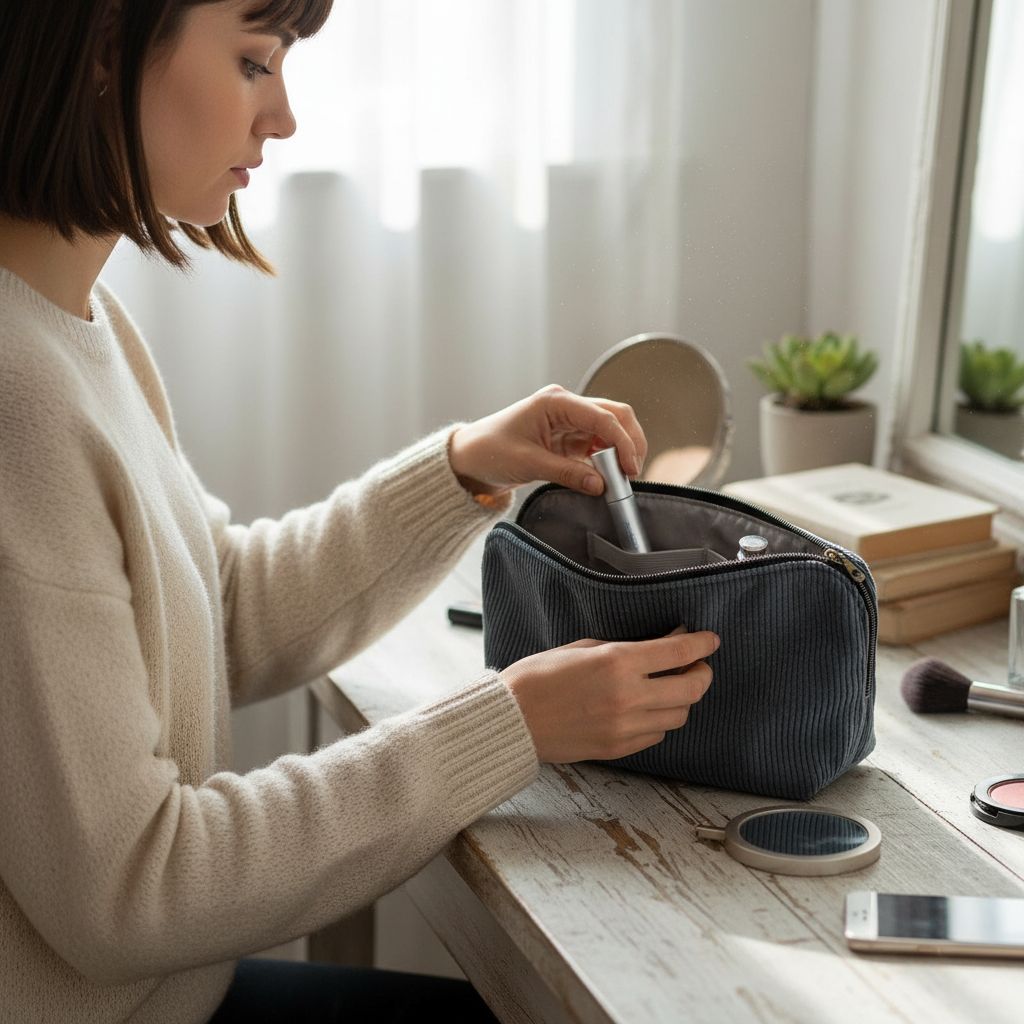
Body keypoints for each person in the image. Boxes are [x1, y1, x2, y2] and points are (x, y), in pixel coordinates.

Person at [0, 2, 719, 1022]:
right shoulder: (19, 401)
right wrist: (511, 723)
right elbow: (133, 890)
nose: (283, 117)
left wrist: (462, 469)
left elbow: (218, 608)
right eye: (254, 62)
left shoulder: (76, 321)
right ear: (104, 52)